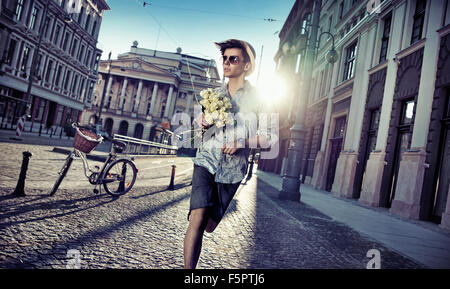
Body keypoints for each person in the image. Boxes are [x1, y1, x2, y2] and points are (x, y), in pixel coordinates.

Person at [183, 39, 277, 269]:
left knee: (209, 224)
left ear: (246, 66)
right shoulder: (212, 94)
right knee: (197, 216)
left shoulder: (260, 99)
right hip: (206, 161)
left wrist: (242, 141)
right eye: (224, 58)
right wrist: (202, 124)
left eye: (232, 58)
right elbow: (204, 133)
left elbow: (270, 138)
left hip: (232, 170)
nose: (226, 63)